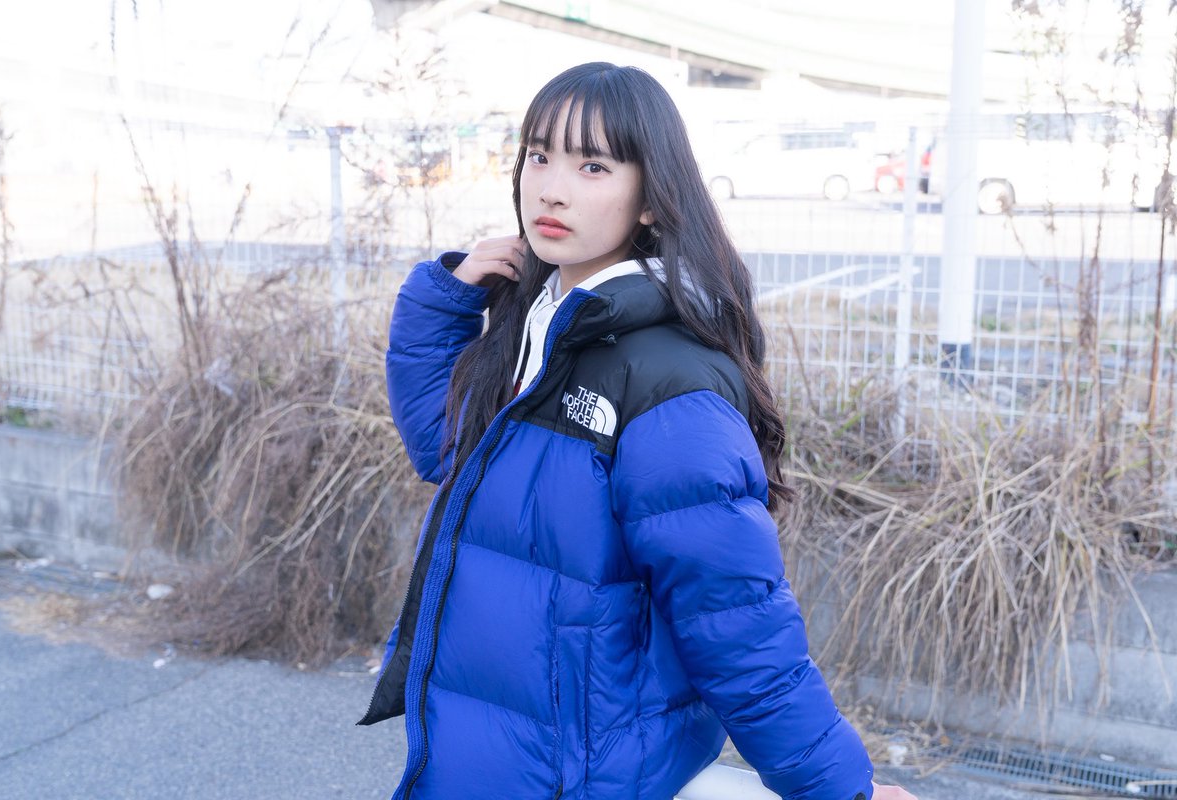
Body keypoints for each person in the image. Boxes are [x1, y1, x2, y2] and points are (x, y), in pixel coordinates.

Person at [358, 62, 917, 800]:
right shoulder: (538, 325)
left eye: (593, 165)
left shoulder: (668, 385)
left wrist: (843, 789)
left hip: (574, 774)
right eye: (539, 156)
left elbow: (737, 627)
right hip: (485, 754)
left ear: (651, 199)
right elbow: (446, 449)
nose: (551, 188)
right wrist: (444, 305)